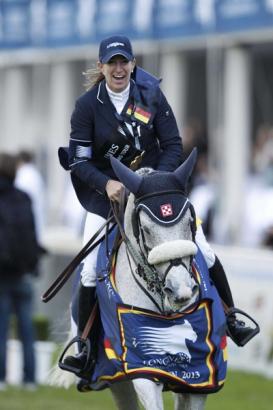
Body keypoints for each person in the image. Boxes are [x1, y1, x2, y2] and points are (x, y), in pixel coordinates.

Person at [59, 35, 257, 378]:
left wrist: (156, 183)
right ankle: (84, 347)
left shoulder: (151, 94)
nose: (119, 69)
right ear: (101, 67)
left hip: (157, 191)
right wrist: (107, 184)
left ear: (133, 64)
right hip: (108, 196)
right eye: (113, 63)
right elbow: (79, 162)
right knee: (90, 267)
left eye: (125, 62)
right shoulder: (86, 106)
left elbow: (173, 144)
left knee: (205, 250)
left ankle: (233, 316)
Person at [0, 153, 41, 390]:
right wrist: (33, 264)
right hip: (24, 271)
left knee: (2, 328)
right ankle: (30, 379)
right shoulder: (23, 197)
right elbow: (32, 234)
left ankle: (2, 377)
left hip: (2, 274)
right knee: (27, 328)